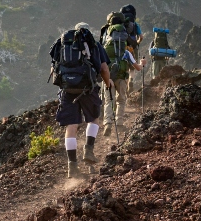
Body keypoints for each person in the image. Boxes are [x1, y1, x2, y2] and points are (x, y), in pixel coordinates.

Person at [50, 22, 113, 178]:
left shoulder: (62, 45)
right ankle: (88, 150)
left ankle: (72, 167)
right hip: (87, 89)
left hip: (67, 90)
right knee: (93, 119)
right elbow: (104, 69)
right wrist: (108, 83)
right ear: (87, 31)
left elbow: (54, 69)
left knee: (71, 127)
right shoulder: (94, 45)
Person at [101, 14, 147, 137]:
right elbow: (137, 68)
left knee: (108, 101)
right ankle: (120, 124)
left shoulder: (104, 49)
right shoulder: (126, 51)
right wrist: (142, 64)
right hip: (122, 77)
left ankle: (108, 124)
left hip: (108, 78)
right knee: (121, 100)